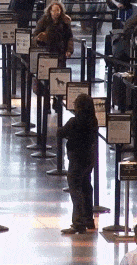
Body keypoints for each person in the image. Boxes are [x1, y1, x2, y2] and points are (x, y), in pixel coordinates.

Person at [58, 94, 98, 234]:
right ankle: (89, 219)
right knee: (86, 186)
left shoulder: (74, 121)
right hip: (89, 157)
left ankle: (78, 222)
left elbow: (61, 132)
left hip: (77, 159)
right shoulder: (93, 121)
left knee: (75, 188)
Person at [33, 1, 74, 68]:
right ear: (50, 11)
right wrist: (39, 38)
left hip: (60, 52)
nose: (56, 13)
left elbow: (69, 36)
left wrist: (69, 50)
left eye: (58, 10)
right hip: (47, 51)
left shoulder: (64, 21)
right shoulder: (43, 21)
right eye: (54, 11)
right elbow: (35, 35)